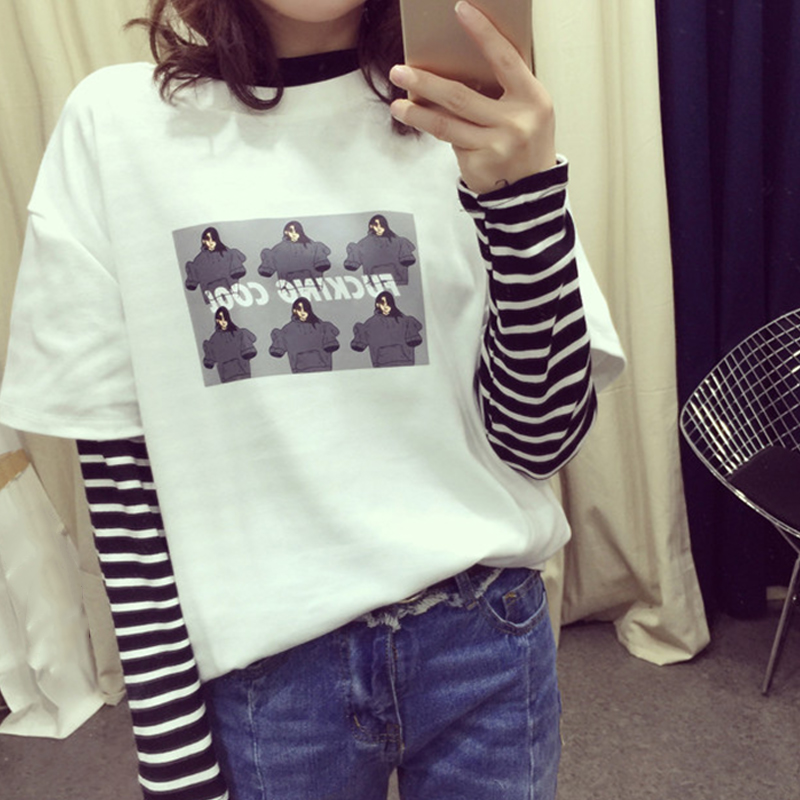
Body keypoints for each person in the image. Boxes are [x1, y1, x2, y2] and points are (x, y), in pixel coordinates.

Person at [0, 1, 625, 799]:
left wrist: (523, 199)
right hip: (272, 677)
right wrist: (174, 759)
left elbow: (537, 442)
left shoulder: (469, 118)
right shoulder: (116, 126)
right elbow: (123, 482)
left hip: (484, 636)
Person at [351, 290, 423, 367]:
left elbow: (359, 345)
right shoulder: (370, 324)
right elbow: (359, 345)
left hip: (404, 363)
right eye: (382, 303)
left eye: (388, 303)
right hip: (385, 365)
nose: (385, 306)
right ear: (377, 304)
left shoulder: (406, 321)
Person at [269, 296, 340, 373]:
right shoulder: (287, 330)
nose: (302, 312)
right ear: (294, 310)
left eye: (305, 309)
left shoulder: (323, 327)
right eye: (299, 309)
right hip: (300, 372)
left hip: (323, 368)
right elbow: (278, 350)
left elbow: (332, 344)